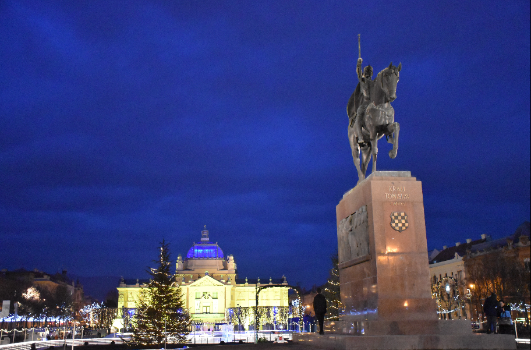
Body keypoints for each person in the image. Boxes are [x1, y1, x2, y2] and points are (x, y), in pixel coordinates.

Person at [354, 58, 373, 145]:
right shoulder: (374, 82)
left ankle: (360, 138)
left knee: (358, 118)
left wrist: (359, 64)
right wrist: (359, 65)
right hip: (373, 103)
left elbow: (358, 74)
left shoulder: (363, 81)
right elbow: (358, 73)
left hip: (367, 103)